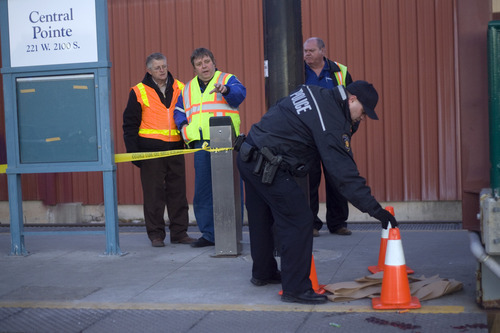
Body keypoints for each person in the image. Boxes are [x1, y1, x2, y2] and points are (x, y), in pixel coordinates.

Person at [236, 80, 398, 304]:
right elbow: (345, 175)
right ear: (352, 100)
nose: (363, 118)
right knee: (300, 219)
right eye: (363, 112)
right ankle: (296, 289)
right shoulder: (331, 120)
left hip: (248, 154)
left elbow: (282, 111)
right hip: (267, 165)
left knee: (262, 216)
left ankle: (263, 273)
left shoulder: (314, 92)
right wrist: (376, 211)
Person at [174, 48, 246, 248]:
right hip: (201, 144)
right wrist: (182, 125)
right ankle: (209, 234)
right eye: (199, 64)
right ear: (195, 68)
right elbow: (179, 110)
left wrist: (226, 90)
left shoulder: (227, 79)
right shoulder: (187, 88)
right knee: (203, 190)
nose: (204, 66)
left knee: (229, 189)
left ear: (214, 62)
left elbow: (240, 94)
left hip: (226, 142)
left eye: (206, 62)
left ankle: (232, 232)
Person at [123, 52, 196, 248]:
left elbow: (189, 115)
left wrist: (188, 141)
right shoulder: (138, 91)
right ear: (149, 70)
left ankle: (179, 233)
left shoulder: (180, 87)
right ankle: (156, 235)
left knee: (178, 193)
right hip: (151, 151)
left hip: (175, 148)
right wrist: (134, 154)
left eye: (164, 66)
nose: (162, 70)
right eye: (157, 68)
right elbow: (129, 125)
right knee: (153, 195)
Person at [304, 37, 354, 237]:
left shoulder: (339, 72)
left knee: (336, 178)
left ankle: (338, 223)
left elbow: (352, 101)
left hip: (334, 134)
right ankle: (312, 224)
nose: (307, 54)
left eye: (311, 50)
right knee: (310, 179)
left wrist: (349, 129)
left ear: (323, 51)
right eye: (305, 51)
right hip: (308, 135)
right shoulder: (298, 71)